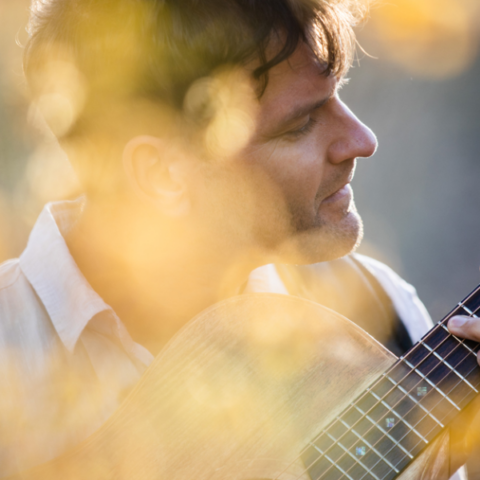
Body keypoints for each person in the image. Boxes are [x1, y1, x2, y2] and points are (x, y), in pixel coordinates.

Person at [0, 0, 476, 478]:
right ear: (162, 173)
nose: (361, 139)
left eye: (339, 94)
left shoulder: (381, 312)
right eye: (300, 125)